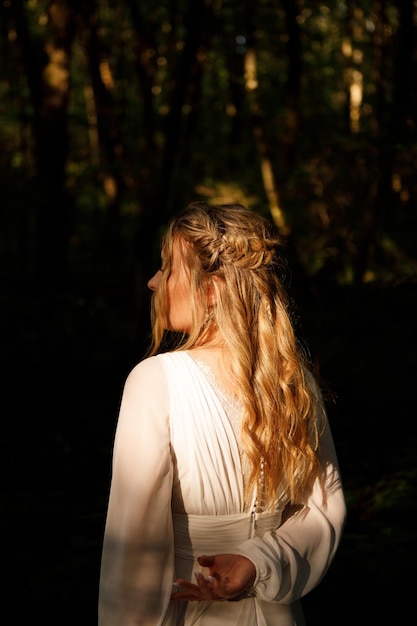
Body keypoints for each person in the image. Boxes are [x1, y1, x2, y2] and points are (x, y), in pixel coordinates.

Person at [98, 201, 346, 625]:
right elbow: (324, 512)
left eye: (169, 268)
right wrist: (257, 561)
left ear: (211, 289)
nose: (154, 282)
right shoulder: (290, 382)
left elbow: (134, 545)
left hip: (189, 610)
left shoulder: (155, 380)